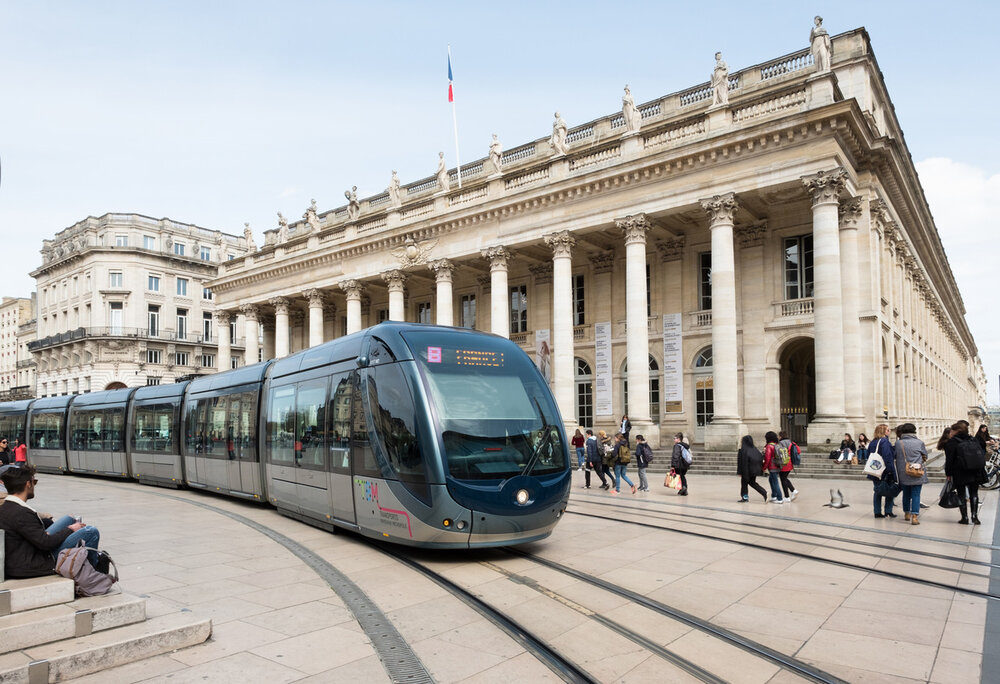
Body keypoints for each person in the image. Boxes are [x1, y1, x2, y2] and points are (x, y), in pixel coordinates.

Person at [0, 464, 102, 578]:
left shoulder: (7, 507)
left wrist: (45, 535)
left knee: (69, 519)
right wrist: (70, 529)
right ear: (28, 484)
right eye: (34, 482)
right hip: (34, 563)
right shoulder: (22, 513)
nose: (34, 486)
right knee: (91, 532)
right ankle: (92, 572)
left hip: (25, 553)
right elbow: (46, 544)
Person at [944, 421, 986, 525]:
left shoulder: (951, 442)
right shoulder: (973, 439)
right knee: (974, 493)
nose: (951, 432)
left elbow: (949, 460)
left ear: (957, 431)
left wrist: (948, 473)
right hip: (975, 470)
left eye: (952, 430)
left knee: (961, 494)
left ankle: (965, 518)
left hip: (960, 471)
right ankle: (974, 516)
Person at [895, 423, 928, 525]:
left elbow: (895, 455)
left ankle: (907, 513)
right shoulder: (919, 442)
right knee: (916, 494)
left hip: (904, 472)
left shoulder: (898, 443)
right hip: (917, 471)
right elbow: (925, 455)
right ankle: (914, 516)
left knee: (906, 494)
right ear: (914, 431)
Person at [868, 424, 897, 518]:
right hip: (884, 471)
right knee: (890, 490)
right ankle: (888, 510)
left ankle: (877, 512)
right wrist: (891, 471)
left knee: (877, 491)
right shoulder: (884, 441)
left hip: (875, 470)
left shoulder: (873, 442)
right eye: (888, 430)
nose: (889, 431)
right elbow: (887, 456)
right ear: (883, 431)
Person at [737, 435, 767, 502]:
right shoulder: (755, 449)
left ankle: (745, 497)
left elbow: (741, 462)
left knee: (744, 484)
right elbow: (760, 458)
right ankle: (763, 492)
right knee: (752, 483)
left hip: (746, 470)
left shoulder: (743, 450)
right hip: (754, 470)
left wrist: (740, 472)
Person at [776, 431, 799, 501]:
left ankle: (787, 496)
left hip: (784, 463)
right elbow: (798, 451)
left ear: (781, 436)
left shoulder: (780, 443)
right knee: (784, 478)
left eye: (778, 436)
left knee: (783, 479)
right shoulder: (791, 442)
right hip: (790, 463)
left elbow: (778, 453)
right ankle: (793, 490)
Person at [762, 431, 784, 504]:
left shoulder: (769, 446)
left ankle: (779, 498)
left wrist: (764, 467)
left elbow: (767, 458)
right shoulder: (776, 444)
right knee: (771, 480)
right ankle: (774, 496)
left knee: (775, 482)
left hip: (772, 467)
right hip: (778, 465)